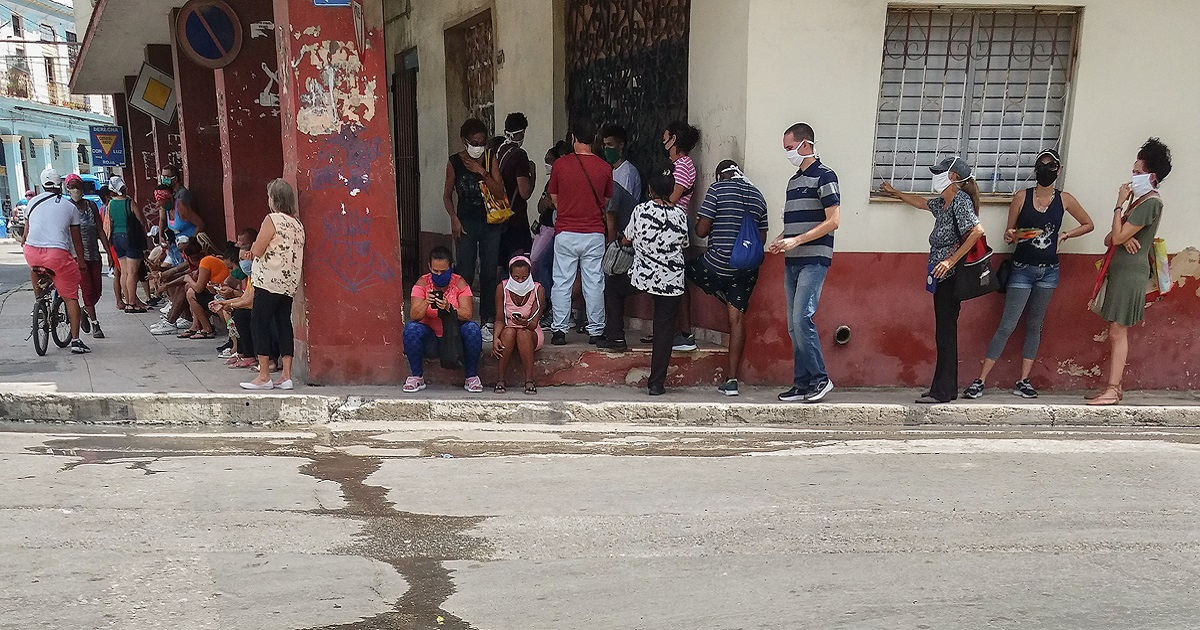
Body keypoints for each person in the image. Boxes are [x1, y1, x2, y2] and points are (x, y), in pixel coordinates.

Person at [963, 150, 1094, 399]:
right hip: (1022, 269)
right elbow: (1008, 232)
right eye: (1042, 165)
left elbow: (1088, 224)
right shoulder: (1021, 197)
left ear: (1058, 169)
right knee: (1007, 324)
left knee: (1035, 325)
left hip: (1049, 271)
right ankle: (980, 380)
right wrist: (1012, 235)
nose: (1046, 169)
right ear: (1035, 170)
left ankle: (1023, 380)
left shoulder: (1064, 200)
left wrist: (1065, 235)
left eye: (1051, 165)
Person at [881, 156, 986, 404]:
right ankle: (944, 388)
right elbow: (921, 203)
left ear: (953, 177)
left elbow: (977, 232)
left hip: (951, 277)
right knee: (944, 332)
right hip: (941, 277)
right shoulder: (944, 202)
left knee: (946, 333)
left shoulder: (960, 201)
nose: (935, 176)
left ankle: (943, 391)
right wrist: (895, 192)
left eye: (940, 172)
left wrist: (950, 261)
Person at [1088, 138, 1172, 406]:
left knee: (1117, 329)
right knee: (1115, 328)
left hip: (1130, 274)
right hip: (1121, 271)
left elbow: (1116, 235)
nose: (1132, 178)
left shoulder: (1150, 204)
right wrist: (1122, 236)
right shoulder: (1139, 204)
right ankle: (1115, 387)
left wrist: (1118, 206)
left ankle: (1113, 389)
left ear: (1152, 176)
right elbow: (1110, 239)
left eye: (1137, 173)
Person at [767, 122, 841, 403]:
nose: (788, 153)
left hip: (814, 259)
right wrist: (781, 238)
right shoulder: (793, 181)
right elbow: (795, 223)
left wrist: (796, 241)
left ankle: (820, 379)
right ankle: (802, 383)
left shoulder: (825, 176)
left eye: (789, 148)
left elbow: (833, 220)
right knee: (793, 325)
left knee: (802, 319)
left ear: (805, 144)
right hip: (792, 259)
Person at [687, 160, 769, 396]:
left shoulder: (717, 190)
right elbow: (761, 239)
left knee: (679, 276)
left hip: (717, 265)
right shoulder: (758, 196)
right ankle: (731, 380)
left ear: (719, 175)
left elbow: (702, 230)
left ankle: (683, 334)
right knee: (737, 319)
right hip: (747, 269)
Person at [548, 118, 612, 346]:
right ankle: (596, 331)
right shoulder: (605, 168)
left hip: (566, 231)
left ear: (572, 138)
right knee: (594, 282)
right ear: (594, 139)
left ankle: (559, 331)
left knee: (562, 282)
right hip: (593, 233)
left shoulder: (559, 166)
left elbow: (554, 199)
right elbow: (604, 201)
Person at [624, 169, 689, 396]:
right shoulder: (680, 214)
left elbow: (627, 238)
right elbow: (685, 243)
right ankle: (656, 384)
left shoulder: (640, 210)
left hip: (642, 277)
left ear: (650, 190)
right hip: (671, 280)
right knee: (664, 331)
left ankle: (613, 335)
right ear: (672, 191)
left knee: (613, 288)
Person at [444, 118, 507, 344]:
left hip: (491, 224)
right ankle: (463, 319)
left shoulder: (490, 160)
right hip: (466, 223)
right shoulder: (455, 162)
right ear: (464, 141)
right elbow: (447, 195)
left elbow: (500, 192)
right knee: (465, 272)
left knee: (490, 272)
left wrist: (482, 171)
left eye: (481, 141)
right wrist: (454, 219)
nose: (478, 146)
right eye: (474, 142)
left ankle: (488, 320)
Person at [241, 179, 305, 391]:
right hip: (288, 282)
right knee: (283, 323)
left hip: (268, 280)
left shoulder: (272, 219)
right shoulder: (297, 224)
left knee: (259, 323)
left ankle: (264, 374)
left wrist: (249, 250)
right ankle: (286, 375)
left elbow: (258, 250)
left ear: (274, 199)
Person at [18, 167, 90, 354]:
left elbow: (25, 236)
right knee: (71, 297)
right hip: (57, 255)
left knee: (34, 268)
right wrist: (80, 261)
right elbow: (76, 240)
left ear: (42, 185)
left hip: (32, 252)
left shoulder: (32, 202)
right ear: (61, 186)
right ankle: (75, 341)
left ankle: (39, 301)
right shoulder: (70, 207)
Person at [404, 246, 484, 394]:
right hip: (432, 340)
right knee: (411, 329)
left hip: (454, 339)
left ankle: (471, 377)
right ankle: (416, 376)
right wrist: (426, 301)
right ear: (429, 267)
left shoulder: (460, 283)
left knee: (472, 329)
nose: (439, 274)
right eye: (435, 271)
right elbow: (414, 315)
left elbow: (467, 314)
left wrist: (449, 308)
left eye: (443, 271)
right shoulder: (422, 283)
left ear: (451, 267)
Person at [662, 120, 701, 352]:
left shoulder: (683, 165)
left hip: (674, 224)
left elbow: (672, 198)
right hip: (670, 222)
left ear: (673, 139)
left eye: (666, 136)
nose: (663, 140)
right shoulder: (676, 164)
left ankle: (685, 333)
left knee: (675, 278)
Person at [64, 174, 113, 339]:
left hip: (94, 255)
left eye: (77, 186)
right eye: (72, 187)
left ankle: (86, 310)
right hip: (78, 258)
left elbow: (100, 230)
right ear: (67, 189)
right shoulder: (67, 208)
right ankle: (95, 324)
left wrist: (108, 253)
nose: (75, 190)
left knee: (97, 291)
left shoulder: (91, 206)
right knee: (87, 290)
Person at [492, 256, 546, 395]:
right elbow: (499, 319)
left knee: (522, 333)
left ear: (530, 275)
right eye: (516, 277)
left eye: (524, 277)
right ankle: (500, 379)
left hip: (530, 331)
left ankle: (529, 380)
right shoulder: (502, 288)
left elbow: (534, 323)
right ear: (510, 274)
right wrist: (495, 338)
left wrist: (524, 323)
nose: (520, 281)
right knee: (509, 332)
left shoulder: (538, 289)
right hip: (508, 331)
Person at [495, 113, 536, 272]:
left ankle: (496, 295)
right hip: (515, 218)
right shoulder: (520, 155)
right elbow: (524, 192)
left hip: (497, 216)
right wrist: (533, 175)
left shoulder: (496, 150)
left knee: (499, 263)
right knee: (518, 263)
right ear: (521, 132)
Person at [177, 237, 230, 340]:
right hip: (218, 293)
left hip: (221, 297)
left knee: (191, 292)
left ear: (189, 258)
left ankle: (207, 328)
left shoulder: (205, 261)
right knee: (191, 290)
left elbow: (198, 289)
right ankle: (196, 325)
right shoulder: (208, 259)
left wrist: (188, 279)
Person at [158, 164, 203, 238]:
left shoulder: (182, 195)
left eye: (166, 177)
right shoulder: (166, 195)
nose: (164, 179)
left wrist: (191, 241)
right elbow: (162, 218)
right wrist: (160, 236)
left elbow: (197, 222)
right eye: (162, 177)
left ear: (175, 179)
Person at [602, 124, 642, 205]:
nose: (606, 148)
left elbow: (622, 203)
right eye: (605, 145)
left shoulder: (627, 172)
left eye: (610, 144)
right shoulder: (614, 171)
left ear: (621, 145)